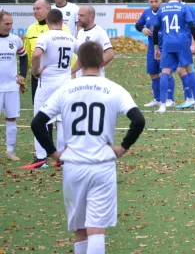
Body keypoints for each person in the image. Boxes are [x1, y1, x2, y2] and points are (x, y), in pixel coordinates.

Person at [30, 41, 146, 254]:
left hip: (73, 166)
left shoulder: (65, 89)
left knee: (80, 228)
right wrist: (122, 147)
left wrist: (53, 152)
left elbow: (37, 123)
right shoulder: (114, 89)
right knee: (97, 228)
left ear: (79, 62)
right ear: (102, 62)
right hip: (102, 165)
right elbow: (138, 120)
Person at [22, 9, 80, 169]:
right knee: (62, 119)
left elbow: (36, 55)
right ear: (62, 22)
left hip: (47, 83)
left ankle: (41, 157)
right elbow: (84, 54)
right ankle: (62, 157)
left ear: (47, 22)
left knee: (40, 118)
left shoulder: (45, 36)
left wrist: (35, 71)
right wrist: (72, 70)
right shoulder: (70, 37)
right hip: (65, 82)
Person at [153, 0, 195, 113]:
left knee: (165, 72)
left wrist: (156, 47)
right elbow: (192, 26)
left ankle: (163, 105)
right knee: (189, 69)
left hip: (167, 43)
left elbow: (155, 30)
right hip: (182, 43)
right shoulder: (183, 7)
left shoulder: (162, 9)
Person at [134, 0, 174, 107]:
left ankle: (170, 99)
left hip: (164, 46)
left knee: (167, 73)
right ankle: (157, 99)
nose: (154, 4)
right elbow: (138, 25)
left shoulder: (165, 12)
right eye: (151, 2)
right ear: (148, 2)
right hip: (152, 47)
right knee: (153, 73)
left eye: (156, 1)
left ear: (161, 1)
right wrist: (142, 29)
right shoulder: (146, 13)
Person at [0, 11, 28, 161]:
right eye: (6, 24)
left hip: (11, 87)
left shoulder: (16, 40)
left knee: (11, 119)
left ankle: (10, 150)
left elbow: (24, 57)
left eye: (11, 23)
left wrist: (22, 74)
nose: (10, 27)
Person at [74, 6, 115, 77]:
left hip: (95, 78)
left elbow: (109, 54)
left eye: (82, 15)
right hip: (80, 78)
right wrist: (72, 72)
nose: (78, 18)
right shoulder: (80, 32)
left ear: (91, 17)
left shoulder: (99, 32)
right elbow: (80, 57)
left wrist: (94, 68)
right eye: (78, 15)